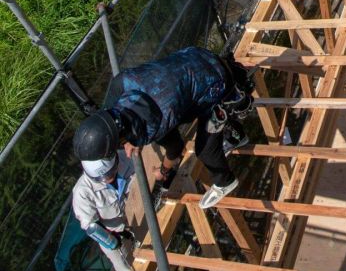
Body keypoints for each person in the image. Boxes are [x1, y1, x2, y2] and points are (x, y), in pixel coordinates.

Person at [72, 47, 252, 210]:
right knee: (195, 102)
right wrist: (129, 138)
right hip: (197, 56)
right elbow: (126, 111)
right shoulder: (122, 83)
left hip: (217, 84)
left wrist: (163, 172)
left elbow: (176, 148)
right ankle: (237, 136)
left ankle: (225, 181)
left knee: (204, 149)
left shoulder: (153, 125)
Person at [72, 152, 136, 271]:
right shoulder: (82, 192)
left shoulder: (124, 157)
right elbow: (91, 226)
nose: (109, 178)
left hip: (139, 216)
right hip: (116, 235)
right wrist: (112, 240)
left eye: (110, 172)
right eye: (104, 177)